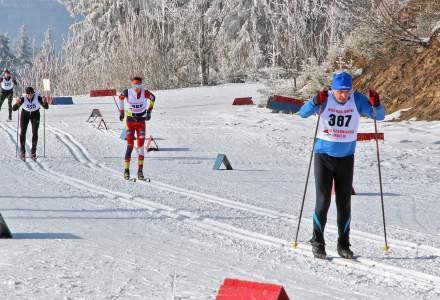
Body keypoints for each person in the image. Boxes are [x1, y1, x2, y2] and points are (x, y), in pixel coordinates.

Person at [299, 71, 385, 259]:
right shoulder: (325, 98)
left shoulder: (357, 99)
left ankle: (343, 244)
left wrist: (376, 104)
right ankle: (318, 242)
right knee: (323, 201)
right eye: (340, 92)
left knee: (344, 203)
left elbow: (379, 116)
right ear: (333, 89)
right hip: (324, 157)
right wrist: (314, 101)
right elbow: (302, 114)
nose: (344, 95)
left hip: (346, 158)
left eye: (347, 91)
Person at [119, 77, 156, 180]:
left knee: (140, 147)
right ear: (132, 85)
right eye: (134, 85)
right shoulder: (127, 92)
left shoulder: (145, 93)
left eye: (138, 85)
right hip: (130, 121)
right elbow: (120, 98)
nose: (136, 88)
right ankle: (126, 170)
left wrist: (149, 111)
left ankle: (140, 171)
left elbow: (153, 98)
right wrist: (121, 111)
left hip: (141, 122)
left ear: (141, 85)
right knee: (130, 146)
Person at [12, 86, 49, 161]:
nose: (30, 96)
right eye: (28, 94)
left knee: (35, 132)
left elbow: (46, 107)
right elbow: (14, 109)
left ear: (33, 94)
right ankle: (22, 151)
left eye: (31, 94)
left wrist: (45, 102)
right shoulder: (23, 98)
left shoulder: (37, 97)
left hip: (35, 114)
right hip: (25, 114)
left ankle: (33, 152)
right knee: (23, 132)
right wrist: (17, 103)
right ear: (26, 94)